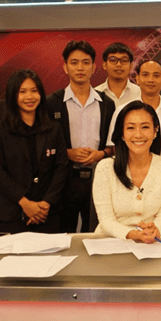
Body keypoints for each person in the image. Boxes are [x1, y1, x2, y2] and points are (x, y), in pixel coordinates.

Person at [47, 40, 116, 233]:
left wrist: (101, 154)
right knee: (62, 234)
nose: (80, 68)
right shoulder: (52, 103)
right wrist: (66, 153)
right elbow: (44, 145)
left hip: (98, 179)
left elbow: (114, 145)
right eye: (74, 62)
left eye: (85, 63)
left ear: (93, 68)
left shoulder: (107, 104)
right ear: (65, 67)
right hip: (63, 181)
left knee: (96, 233)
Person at [0, 69, 68, 233]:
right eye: (22, 92)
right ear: (12, 95)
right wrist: (25, 203)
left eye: (34, 91)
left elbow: (61, 167)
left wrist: (46, 203)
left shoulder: (53, 128)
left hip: (48, 214)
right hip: (12, 214)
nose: (29, 97)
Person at [93, 101, 161, 242]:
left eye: (145, 127)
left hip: (150, 242)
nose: (138, 135)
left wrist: (155, 229)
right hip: (110, 242)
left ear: (155, 131)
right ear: (122, 133)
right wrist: (135, 234)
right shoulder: (105, 168)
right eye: (131, 128)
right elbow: (106, 220)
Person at [106, 60, 161, 165]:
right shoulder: (122, 110)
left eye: (156, 75)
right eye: (145, 75)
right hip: (129, 172)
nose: (150, 80)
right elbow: (116, 148)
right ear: (137, 79)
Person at [94, 42, 142, 108]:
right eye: (113, 60)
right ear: (104, 65)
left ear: (131, 66)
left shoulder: (140, 93)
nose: (118, 64)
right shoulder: (95, 95)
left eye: (124, 60)